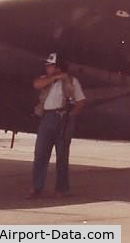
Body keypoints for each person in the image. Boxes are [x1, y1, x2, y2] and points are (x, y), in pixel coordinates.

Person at [29, 52, 86, 198]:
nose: (46, 68)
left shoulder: (72, 81)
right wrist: (55, 77)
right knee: (40, 154)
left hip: (63, 119)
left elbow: (81, 102)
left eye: (50, 66)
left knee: (62, 156)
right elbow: (36, 84)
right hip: (47, 117)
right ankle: (37, 188)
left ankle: (62, 189)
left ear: (57, 67)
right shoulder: (46, 80)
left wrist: (71, 116)